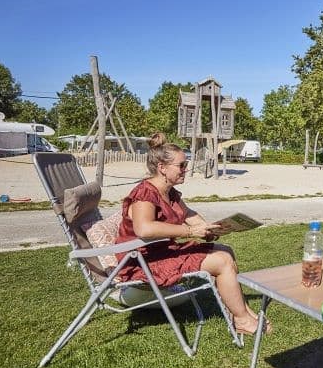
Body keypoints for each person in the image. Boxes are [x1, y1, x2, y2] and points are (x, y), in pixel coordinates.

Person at [115, 132, 270, 336]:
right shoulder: (145, 193)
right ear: (162, 168)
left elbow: (187, 214)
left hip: (160, 252)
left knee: (225, 250)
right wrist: (190, 231)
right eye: (181, 165)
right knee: (222, 261)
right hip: (141, 260)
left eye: (185, 164)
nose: (185, 169)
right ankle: (241, 320)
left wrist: (208, 228)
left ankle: (242, 311)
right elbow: (144, 229)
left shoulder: (169, 192)